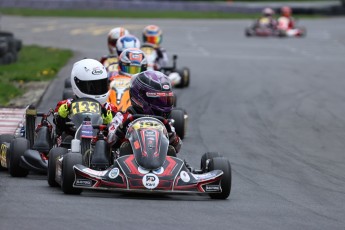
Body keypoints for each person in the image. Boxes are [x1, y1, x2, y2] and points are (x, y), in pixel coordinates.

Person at [107, 70, 181, 156]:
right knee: (122, 146)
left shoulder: (165, 122)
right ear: (140, 97)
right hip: (127, 162)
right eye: (158, 100)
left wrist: (172, 137)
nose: (164, 104)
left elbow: (178, 146)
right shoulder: (123, 117)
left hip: (158, 162)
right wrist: (120, 131)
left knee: (170, 150)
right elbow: (110, 140)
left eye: (166, 99)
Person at [54, 58, 117, 139]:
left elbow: (116, 135)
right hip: (70, 144)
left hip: (100, 145)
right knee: (66, 139)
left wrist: (109, 122)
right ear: (77, 83)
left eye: (100, 85)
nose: (97, 90)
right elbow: (58, 128)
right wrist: (61, 116)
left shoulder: (110, 108)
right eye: (92, 87)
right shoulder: (66, 105)